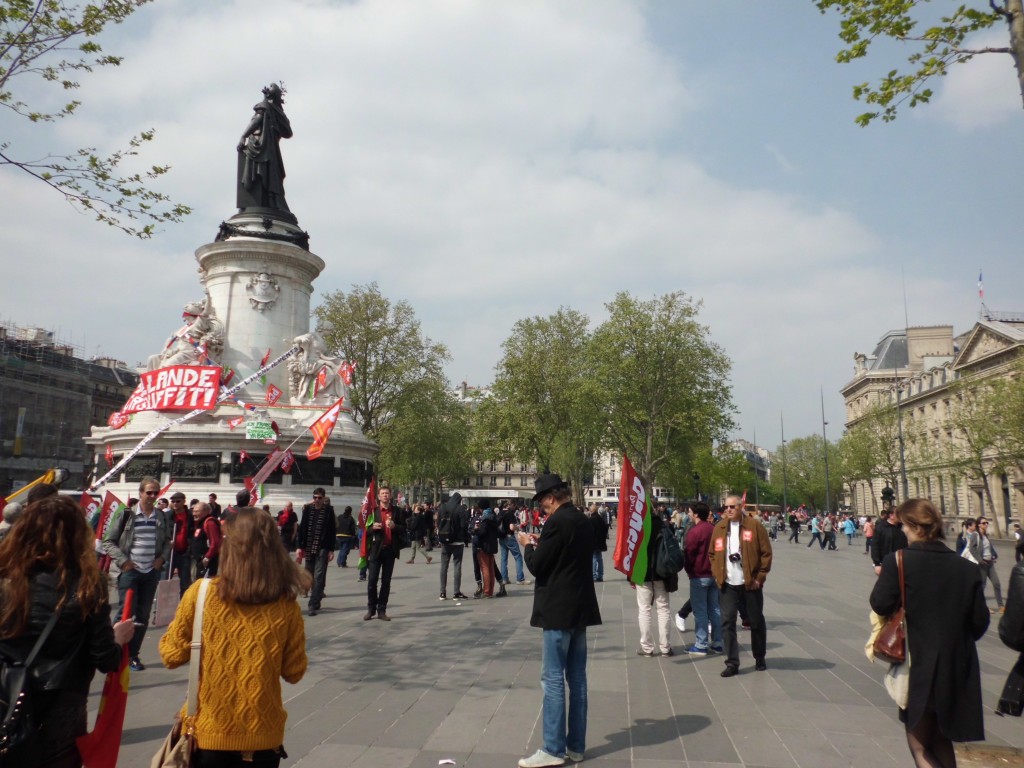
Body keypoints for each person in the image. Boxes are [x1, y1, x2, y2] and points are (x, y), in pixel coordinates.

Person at [159, 508, 310, 768]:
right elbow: (294, 672)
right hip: (263, 736)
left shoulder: (200, 593)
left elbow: (171, 656)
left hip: (209, 735)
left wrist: (182, 628)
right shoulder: (286, 605)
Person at [0, 495, 135, 768]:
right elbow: (105, 658)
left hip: (5, 698)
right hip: (59, 709)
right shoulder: (87, 583)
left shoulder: (5, 576)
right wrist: (118, 638)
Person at [870, 499, 989, 768]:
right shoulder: (967, 569)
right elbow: (979, 622)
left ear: (914, 526)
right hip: (958, 665)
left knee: (919, 744)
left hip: (919, 664)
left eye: (903, 525)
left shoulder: (899, 561)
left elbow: (879, 603)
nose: (902, 530)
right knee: (941, 739)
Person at [517, 474, 601, 768]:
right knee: (577, 679)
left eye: (542, 502)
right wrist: (545, 543)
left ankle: (553, 748)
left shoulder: (556, 522)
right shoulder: (581, 519)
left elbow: (538, 567)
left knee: (552, 678)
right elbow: (569, 554)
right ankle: (576, 746)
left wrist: (528, 544)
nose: (542, 508)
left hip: (557, 608)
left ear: (551, 497)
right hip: (580, 607)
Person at [101, 475, 172, 672]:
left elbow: (167, 542)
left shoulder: (161, 516)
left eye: (155, 493)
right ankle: (112, 650)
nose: (151, 496)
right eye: (148, 492)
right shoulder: (127, 514)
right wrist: (124, 562)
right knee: (125, 613)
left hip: (151, 572)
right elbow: (108, 541)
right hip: (130, 571)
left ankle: (133, 655)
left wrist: (162, 559)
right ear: (141, 493)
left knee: (142, 614)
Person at [708, 494, 773, 677]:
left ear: (740, 506)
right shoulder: (719, 528)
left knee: (755, 621)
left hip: (750, 583)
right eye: (726, 507)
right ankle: (732, 663)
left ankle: (759, 657)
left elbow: (766, 553)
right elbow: (712, 553)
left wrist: (759, 578)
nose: (728, 510)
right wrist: (717, 574)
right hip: (727, 583)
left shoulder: (754, 526)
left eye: (732, 507)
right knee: (727, 622)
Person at [237, 82, 293, 212]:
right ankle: (257, 203)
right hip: (260, 145)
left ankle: (265, 202)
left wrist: (243, 136)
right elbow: (256, 120)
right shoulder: (266, 107)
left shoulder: (271, 109)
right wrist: (244, 136)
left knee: (270, 173)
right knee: (265, 173)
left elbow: (288, 132)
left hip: (267, 147)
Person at [633, 513, 677, 657]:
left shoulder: (637, 526)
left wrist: (631, 576)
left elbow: (632, 553)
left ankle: (647, 648)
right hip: (662, 573)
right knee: (663, 609)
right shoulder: (665, 526)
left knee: (644, 609)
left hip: (643, 573)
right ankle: (665, 647)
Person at [683, 502, 723, 655]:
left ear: (696, 514)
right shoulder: (714, 530)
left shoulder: (695, 532)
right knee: (715, 609)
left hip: (699, 575)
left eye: (690, 511)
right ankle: (718, 642)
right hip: (714, 574)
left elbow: (689, 554)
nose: (689, 514)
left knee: (700, 611)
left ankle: (701, 644)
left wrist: (689, 570)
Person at [362, 486, 406, 620]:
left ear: (390, 496)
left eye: (387, 493)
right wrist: (371, 528)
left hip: (390, 550)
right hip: (375, 550)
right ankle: (371, 608)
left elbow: (404, 528)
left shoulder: (397, 511)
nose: (385, 495)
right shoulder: (373, 511)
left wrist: (395, 526)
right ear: (379, 496)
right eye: (382, 494)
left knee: (386, 582)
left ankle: (382, 610)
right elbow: (364, 530)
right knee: (372, 580)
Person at [296, 488, 336, 616]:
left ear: (324, 498)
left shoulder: (329, 511)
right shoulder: (307, 510)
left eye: (319, 498)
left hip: (322, 547)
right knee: (309, 574)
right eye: (315, 497)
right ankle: (317, 598)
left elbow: (331, 532)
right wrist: (298, 547)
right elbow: (302, 529)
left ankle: (312, 604)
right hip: (308, 546)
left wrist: (331, 549)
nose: (317, 500)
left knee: (319, 575)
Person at [437, 492, 470, 600]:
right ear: (459, 500)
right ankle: (456, 592)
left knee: (444, 567)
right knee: (457, 565)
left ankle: (442, 592)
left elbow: (438, 523)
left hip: (445, 541)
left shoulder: (443, 507)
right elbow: (464, 525)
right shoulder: (460, 509)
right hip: (457, 541)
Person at [968, 517, 1005, 613]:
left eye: (987, 523)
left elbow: (989, 548)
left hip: (990, 563)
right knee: (982, 586)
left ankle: (1001, 606)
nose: (986, 525)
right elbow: (972, 549)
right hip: (982, 564)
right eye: (984, 523)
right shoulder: (975, 535)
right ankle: (982, 607)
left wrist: (993, 556)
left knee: (996, 583)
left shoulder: (985, 536)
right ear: (979, 524)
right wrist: (980, 560)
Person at [167, 491, 195, 596]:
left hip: (185, 553)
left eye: (178, 501)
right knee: (166, 580)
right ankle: (161, 606)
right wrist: (167, 541)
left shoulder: (190, 515)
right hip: (171, 553)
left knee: (185, 582)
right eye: (173, 501)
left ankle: (184, 604)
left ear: (184, 501)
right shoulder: (168, 515)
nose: (175, 503)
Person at [190, 501, 223, 581]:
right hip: (199, 561)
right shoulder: (200, 523)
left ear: (206, 511)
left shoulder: (209, 523)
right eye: (193, 511)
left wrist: (207, 557)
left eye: (197, 511)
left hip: (207, 563)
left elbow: (215, 543)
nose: (194, 514)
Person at [497, 502, 529, 586]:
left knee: (503, 558)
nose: (514, 508)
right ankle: (520, 579)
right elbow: (511, 527)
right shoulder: (510, 514)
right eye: (513, 505)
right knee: (518, 557)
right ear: (509, 505)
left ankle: (504, 579)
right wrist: (517, 527)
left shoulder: (500, 513)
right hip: (509, 537)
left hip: (501, 537)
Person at [871, 505, 908, 576]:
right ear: (891, 516)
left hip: (902, 562)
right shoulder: (881, 527)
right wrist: (877, 564)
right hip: (886, 563)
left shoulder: (903, 527)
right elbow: (875, 546)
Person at [475, 506, 502, 597]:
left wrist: (476, 530)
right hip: (492, 547)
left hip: (484, 546)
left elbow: (481, 533)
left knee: (485, 568)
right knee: (491, 569)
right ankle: (490, 591)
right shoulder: (494, 520)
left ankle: (486, 591)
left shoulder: (485, 521)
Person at [587, 504, 609, 582]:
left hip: (593, 543)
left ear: (591, 510)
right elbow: (605, 529)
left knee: (593, 558)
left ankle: (593, 575)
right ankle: (600, 575)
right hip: (600, 542)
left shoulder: (591, 519)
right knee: (599, 558)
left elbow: (589, 532)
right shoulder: (599, 518)